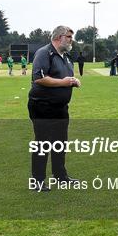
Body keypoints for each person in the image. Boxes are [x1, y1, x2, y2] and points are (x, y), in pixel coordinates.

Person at [28, 26, 81, 192]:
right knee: (43, 143)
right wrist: (64, 82)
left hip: (60, 108)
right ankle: (37, 180)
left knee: (60, 143)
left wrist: (73, 81)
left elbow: (64, 77)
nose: (71, 40)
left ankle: (60, 176)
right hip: (42, 106)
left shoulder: (65, 56)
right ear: (59, 37)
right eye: (69, 37)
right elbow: (39, 78)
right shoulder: (44, 53)